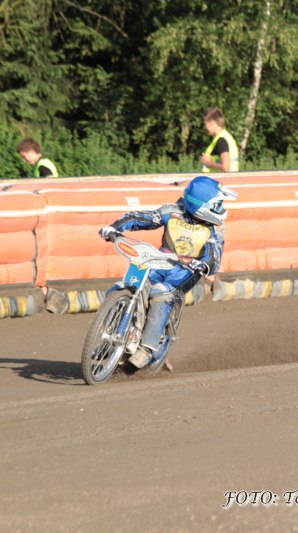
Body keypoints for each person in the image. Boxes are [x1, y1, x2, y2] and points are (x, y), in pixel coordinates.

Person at [98, 176, 238, 368]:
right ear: (200, 204)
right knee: (132, 283)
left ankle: (147, 349)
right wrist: (113, 228)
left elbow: (215, 254)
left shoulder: (214, 229)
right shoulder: (172, 211)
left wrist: (204, 265)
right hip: (160, 260)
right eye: (217, 204)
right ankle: (124, 332)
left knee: (161, 292)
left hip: (186, 270)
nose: (220, 209)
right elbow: (143, 218)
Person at [200, 107, 239, 173]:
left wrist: (209, 163)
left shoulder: (221, 140)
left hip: (224, 180)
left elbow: (226, 168)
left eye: (206, 124)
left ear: (211, 123)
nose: (205, 127)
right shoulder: (223, 137)